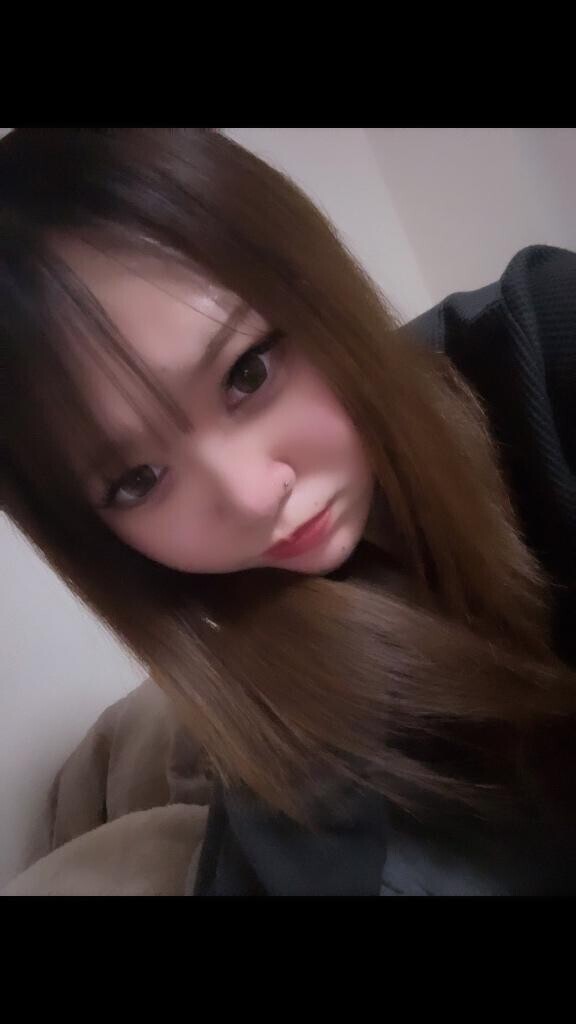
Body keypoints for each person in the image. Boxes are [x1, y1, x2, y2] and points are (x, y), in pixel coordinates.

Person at [1, 127, 575, 896]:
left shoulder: (546, 344)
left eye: (248, 372)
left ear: (309, 287)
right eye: (137, 479)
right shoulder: (285, 752)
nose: (250, 497)